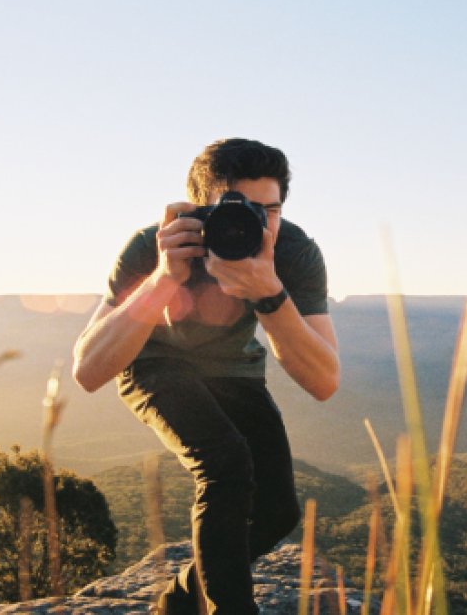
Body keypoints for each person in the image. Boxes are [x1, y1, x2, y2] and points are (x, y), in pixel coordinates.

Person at [72, 138, 339, 614]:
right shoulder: (156, 244)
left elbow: (324, 381)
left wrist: (271, 294)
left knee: (277, 511)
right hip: (154, 363)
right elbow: (89, 370)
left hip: (236, 371)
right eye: (233, 209)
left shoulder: (294, 253)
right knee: (226, 462)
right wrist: (163, 279)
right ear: (199, 208)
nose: (253, 222)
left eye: (268, 210)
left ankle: (178, 603)